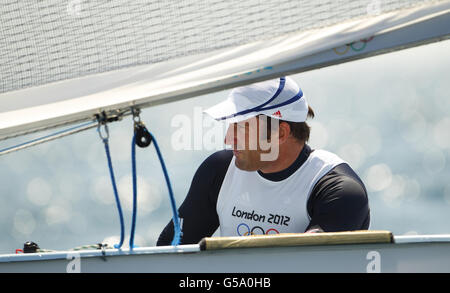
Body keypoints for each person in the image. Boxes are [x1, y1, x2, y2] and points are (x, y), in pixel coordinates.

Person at [157, 76, 370, 245]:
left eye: (241, 127)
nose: (228, 139)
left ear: (280, 132)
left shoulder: (339, 190)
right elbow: (168, 253)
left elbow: (310, 263)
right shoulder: (219, 170)